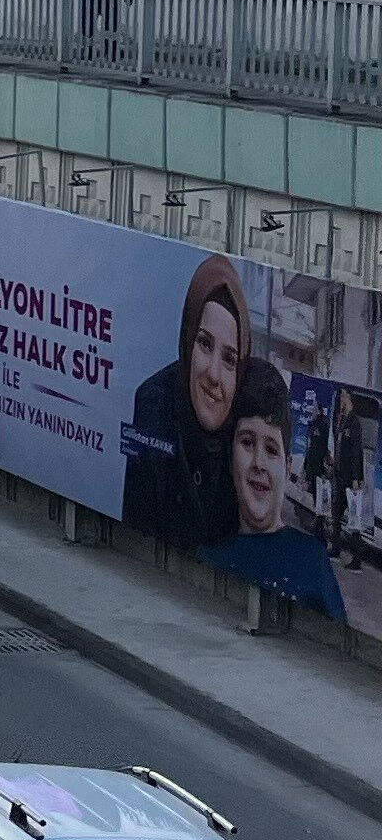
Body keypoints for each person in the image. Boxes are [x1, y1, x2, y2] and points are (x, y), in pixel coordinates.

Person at [202, 359, 351, 623]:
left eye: (271, 450)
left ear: (287, 465)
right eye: (247, 443)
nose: (259, 463)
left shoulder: (311, 560)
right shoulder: (208, 549)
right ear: (230, 454)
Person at [123, 256, 248, 546]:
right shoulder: (154, 404)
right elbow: (138, 528)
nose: (214, 375)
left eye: (230, 359)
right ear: (188, 341)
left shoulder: (247, 428)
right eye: (204, 343)